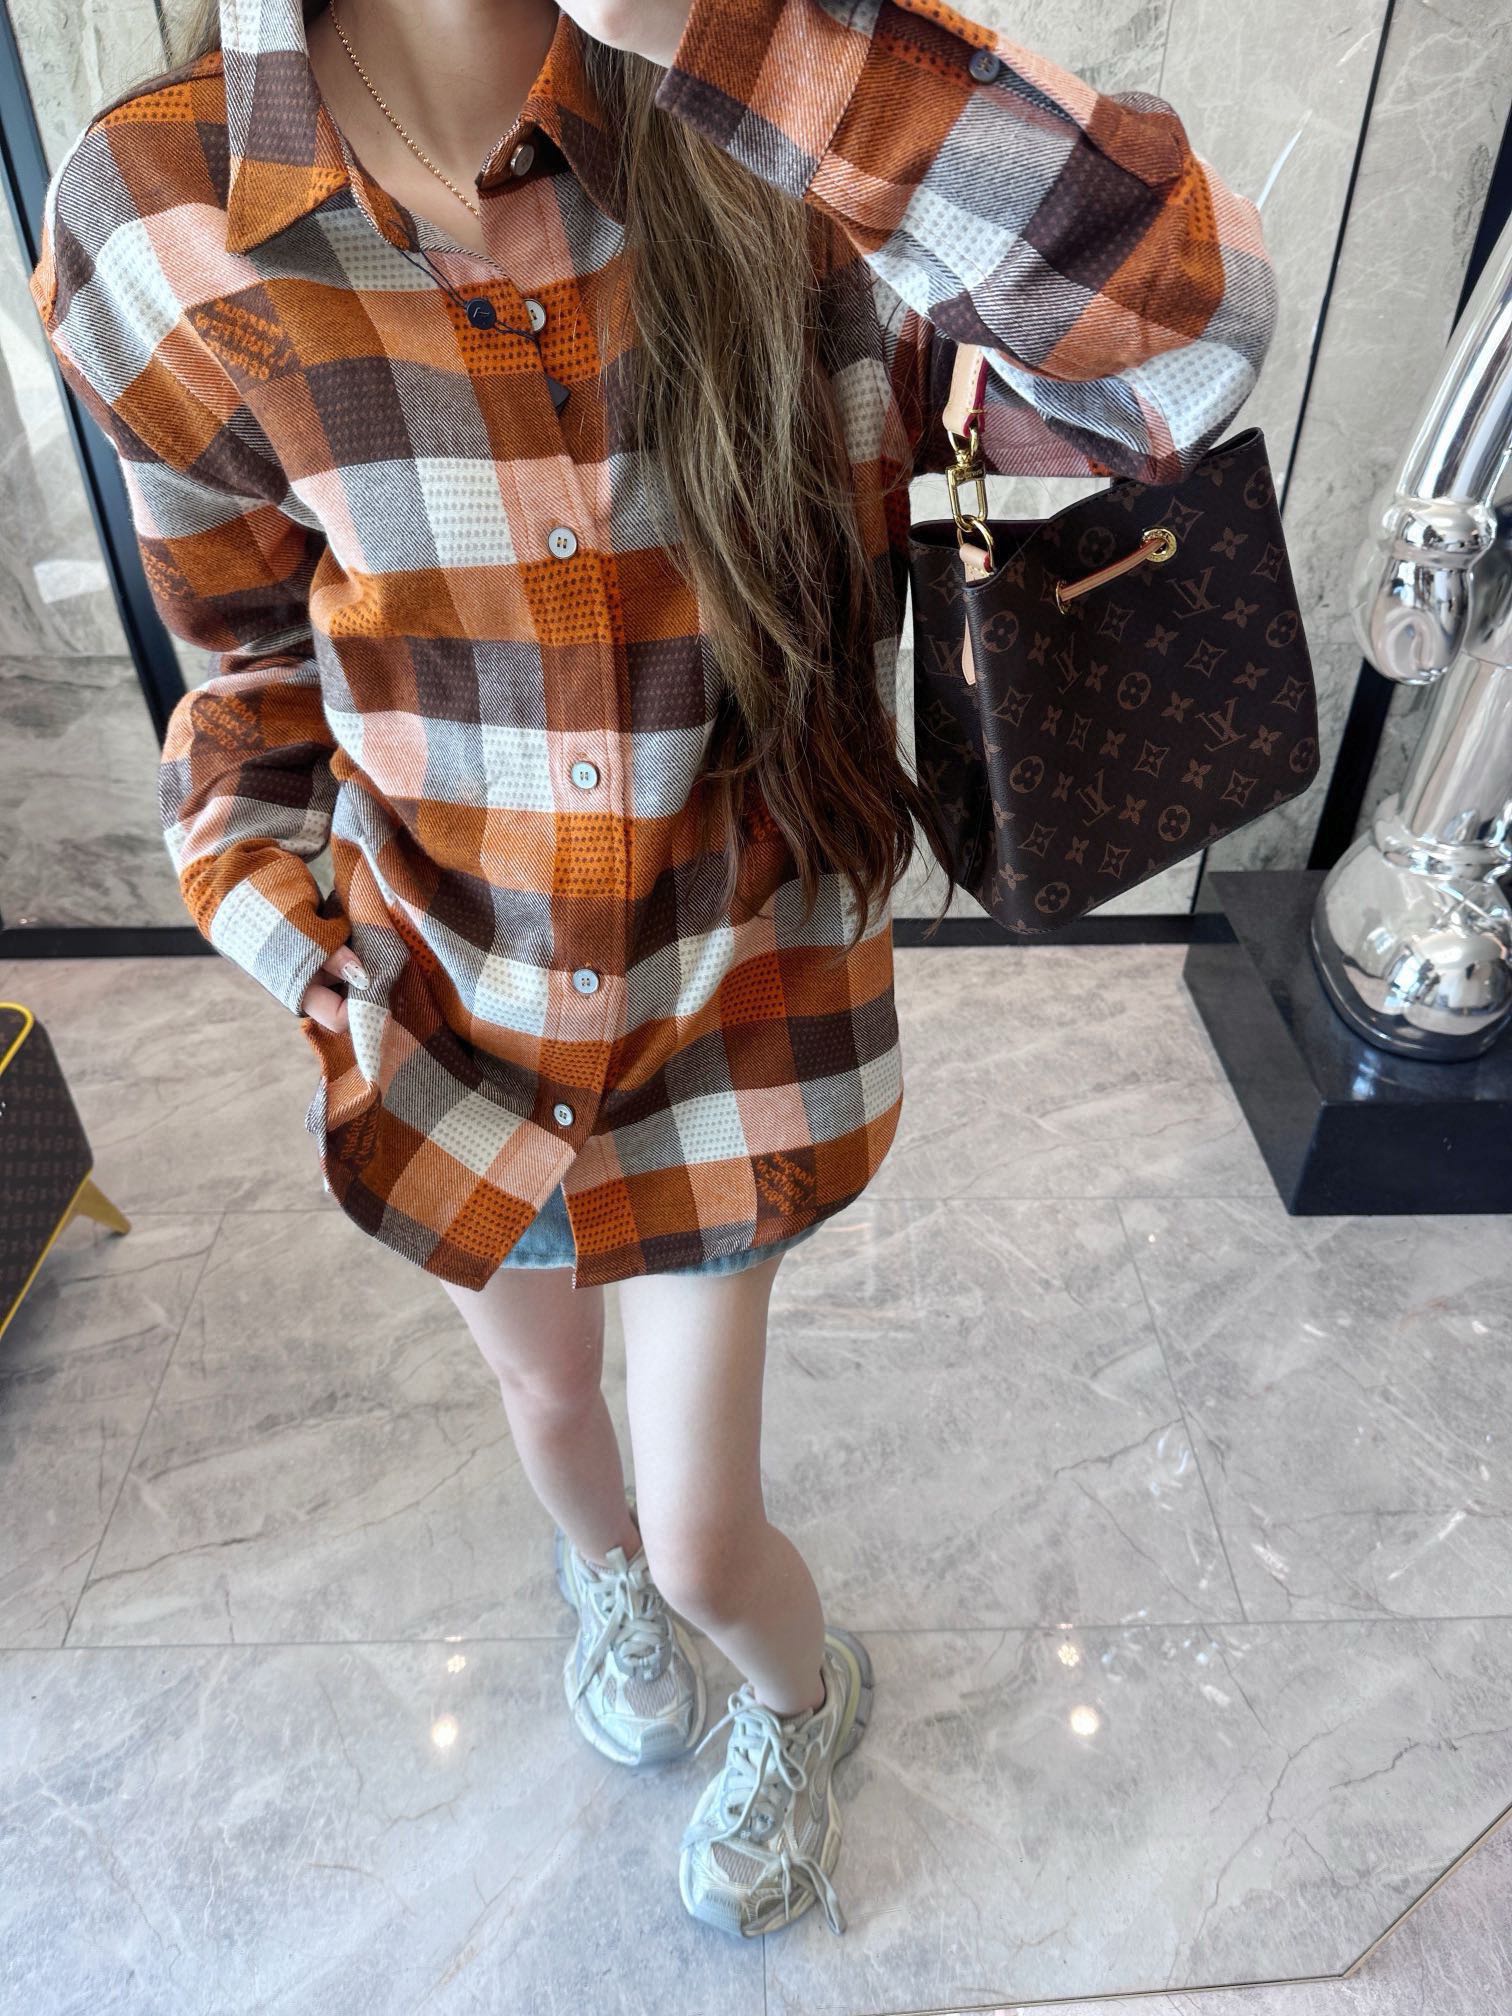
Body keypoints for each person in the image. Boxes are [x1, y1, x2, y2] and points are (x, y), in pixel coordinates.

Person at [29, 0, 1276, 1938]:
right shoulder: (153, 210)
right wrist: (289, 930)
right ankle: (593, 1578)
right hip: (448, 1005)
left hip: (737, 1006)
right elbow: (250, 667)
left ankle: (795, 1694)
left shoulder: (784, 124)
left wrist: (746, 32)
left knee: (708, 1537)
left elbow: (1191, 343)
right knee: (546, 1416)